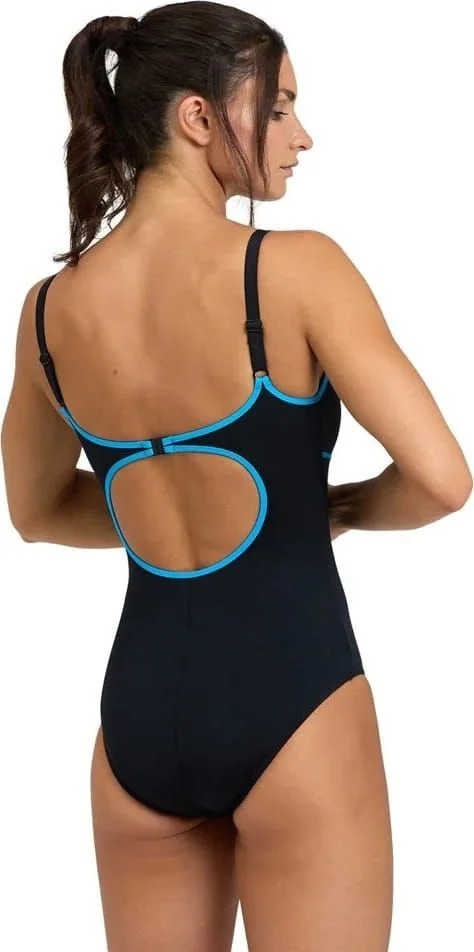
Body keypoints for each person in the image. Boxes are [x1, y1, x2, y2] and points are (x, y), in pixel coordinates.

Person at [1, 4, 472, 951]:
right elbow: (443, 479)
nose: (303, 136)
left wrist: (163, 509)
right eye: (281, 107)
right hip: (296, 701)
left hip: (137, 724)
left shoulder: (50, 308)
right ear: (198, 117)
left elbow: (36, 511)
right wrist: (332, 509)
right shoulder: (294, 270)